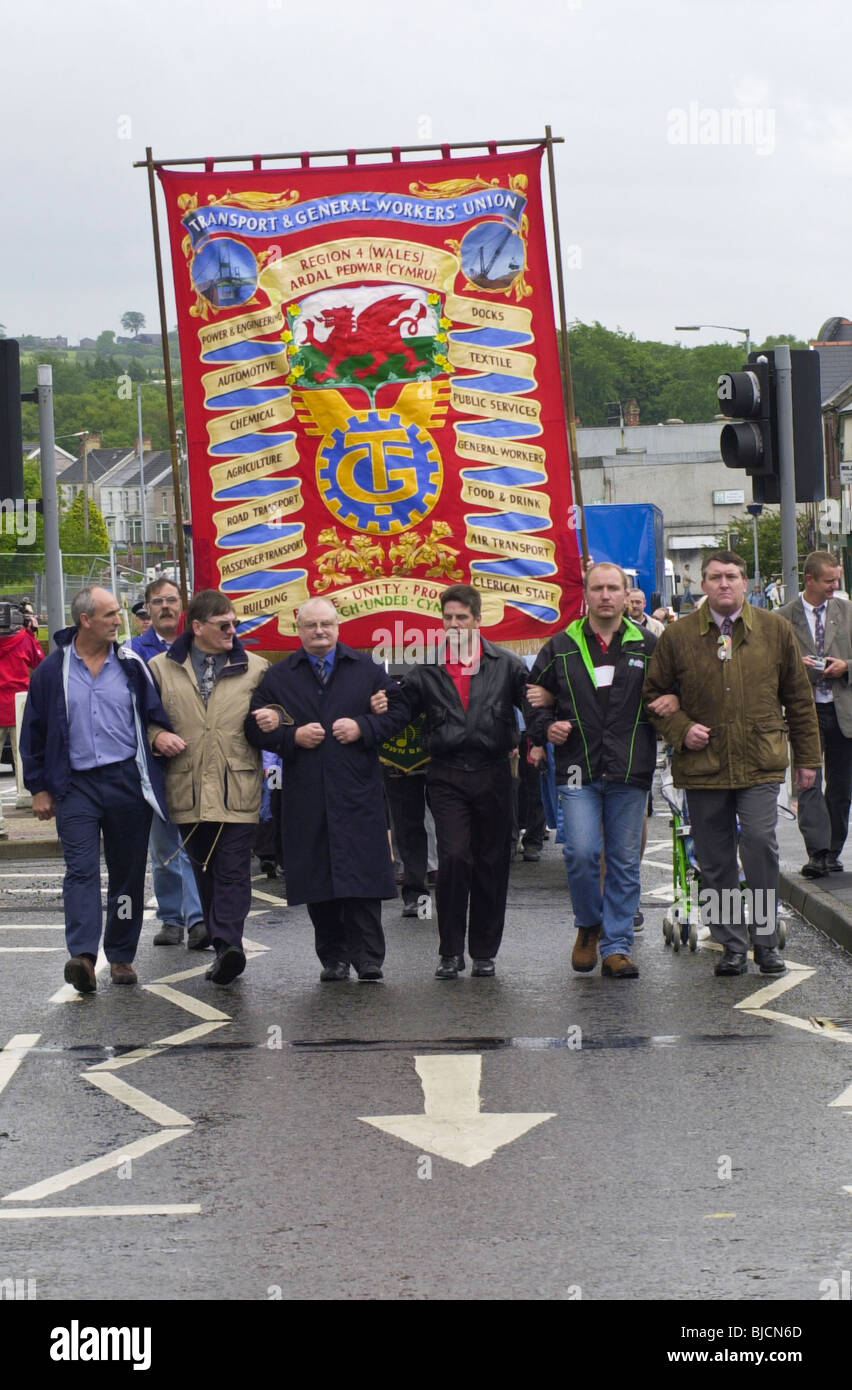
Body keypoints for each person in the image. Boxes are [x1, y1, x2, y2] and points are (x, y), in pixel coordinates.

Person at [644, 550, 821, 977]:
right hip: (703, 766)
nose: (725, 584)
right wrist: (681, 727)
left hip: (759, 761)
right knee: (715, 858)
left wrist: (808, 760)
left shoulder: (774, 630)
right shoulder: (678, 636)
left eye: (732, 576)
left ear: (745, 582)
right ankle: (732, 944)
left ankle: (765, 941)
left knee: (759, 844)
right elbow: (654, 697)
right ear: (703, 585)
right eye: (716, 577)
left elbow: (798, 699)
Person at [245, 595, 409, 982]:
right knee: (318, 877)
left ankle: (369, 957)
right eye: (311, 625)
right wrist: (291, 736)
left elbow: (400, 711)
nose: (320, 631)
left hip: (356, 789)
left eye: (327, 625)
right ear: (298, 628)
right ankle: (333, 958)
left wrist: (364, 727)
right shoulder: (279, 676)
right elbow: (253, 727)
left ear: (338, 626)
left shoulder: (365, 667)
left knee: (362, 877)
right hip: (305, 791)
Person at [20, 587, 170, 992]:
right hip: (75, 785)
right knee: (81, 870)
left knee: (127, 872)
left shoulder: (131, 664)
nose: (117, 620)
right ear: (85, 620)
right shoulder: (52, 671)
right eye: (109, 614)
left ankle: (120, 956)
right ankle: (83, 956)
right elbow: (32, 732)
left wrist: (159, 742)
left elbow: (155, 717)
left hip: (124, 780)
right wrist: (38, 787)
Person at [527, 562, 660, 979]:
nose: (606, 596)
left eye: (613, 589)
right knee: (581, 852)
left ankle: (617, 946)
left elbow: (670, 693)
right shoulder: (561, 645)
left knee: (621, 859)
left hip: (629, 767)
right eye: (597, 588)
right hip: (576, 768)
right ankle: (588, 924)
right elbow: (535, 698)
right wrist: (546, 726)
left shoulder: (649, 645)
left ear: (626, 595)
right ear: (586, 594)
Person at [399, 584, 529, 980]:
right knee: (454, 858)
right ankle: (450, 952)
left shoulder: (507, 664)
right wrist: (376, 704)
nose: (454, 624)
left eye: (461, 617)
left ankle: (484, 951)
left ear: (477, 619)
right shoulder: (425, 669)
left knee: (492, 862)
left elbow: (534, 707)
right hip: (447, 773)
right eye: (447, 618)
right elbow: (398, 714)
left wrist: (540, 738)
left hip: (493, 772)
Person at [147, 589, 268, 985]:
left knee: (233, 868)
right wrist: (155, 737)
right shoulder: (159, 668)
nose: (233, 630)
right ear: (197, 627)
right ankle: (222, 946)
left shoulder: (256, 668)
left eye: (235, 623)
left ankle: (230, 943)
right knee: (204, 870)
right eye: (223, 625)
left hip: (238, 785)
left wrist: (274, 718)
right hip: (187, 786)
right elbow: (142, 719)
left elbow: (282, 710)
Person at [129, 577, 207, 947]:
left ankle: (197, 919)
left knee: (194, 840)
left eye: (172, 600)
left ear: (183, 606)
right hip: (157, 762)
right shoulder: (132, 652)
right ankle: (172, 918)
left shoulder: (200, 646)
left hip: (197, 757)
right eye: (157, 601)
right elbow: (128, 710)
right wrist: (155, 736)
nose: (166, 607)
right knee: (163, 847)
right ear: (147, 608)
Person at [777, 551, 852, 878]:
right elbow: (771, 668)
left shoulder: (848, 612)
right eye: (828, 580)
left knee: (840, 786)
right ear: (809, 579)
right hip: (805, 712)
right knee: (807, 781)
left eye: (836, 579)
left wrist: (846, 667)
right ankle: (817, 851)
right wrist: (798, 668)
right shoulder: (782, 618)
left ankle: (833, 851)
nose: (834, 586)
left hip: (843, 712)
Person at [0, 600, 44, 836]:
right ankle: (28, 800)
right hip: (19, 705)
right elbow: (40, 662)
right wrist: (31, 632)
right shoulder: (23, 639)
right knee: (25, 758)